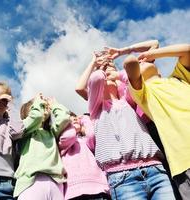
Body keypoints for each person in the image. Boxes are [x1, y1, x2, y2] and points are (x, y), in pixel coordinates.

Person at [75, 42, 176, 199]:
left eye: (112, 68)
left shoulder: (129, 99)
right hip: (122, 177)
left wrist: (123, 54)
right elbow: (90, 82)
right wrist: (96, 62)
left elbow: (152, 46)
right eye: (105, 70)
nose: (108, 71)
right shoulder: (97, 108)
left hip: (155, 169)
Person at [123, 42, 190, 199]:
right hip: (185, 160)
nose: (143, 62)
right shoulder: (143, 94)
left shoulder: (179, 78)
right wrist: (132, 55)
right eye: (142, 64)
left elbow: (187, 49)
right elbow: (130, 62)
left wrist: (153, 54)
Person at [14, 94, 70, 200]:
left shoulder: (51, 133)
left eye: (45, 107)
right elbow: (37, 117)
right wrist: (37, 101)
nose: (43, 108)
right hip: (31, 182)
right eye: (40, 107)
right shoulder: (24, 131)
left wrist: (55, 105)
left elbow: (64, 118)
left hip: (55, 183)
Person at [58, 113, 110, 200]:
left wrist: (84, 118)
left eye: (75, 117)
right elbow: (69, 135)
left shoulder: (86, 141)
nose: (74, 119)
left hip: (98, 188)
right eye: (70, 119)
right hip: (75, 193)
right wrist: (72, 127)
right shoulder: (62, 144)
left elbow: (91, 134)